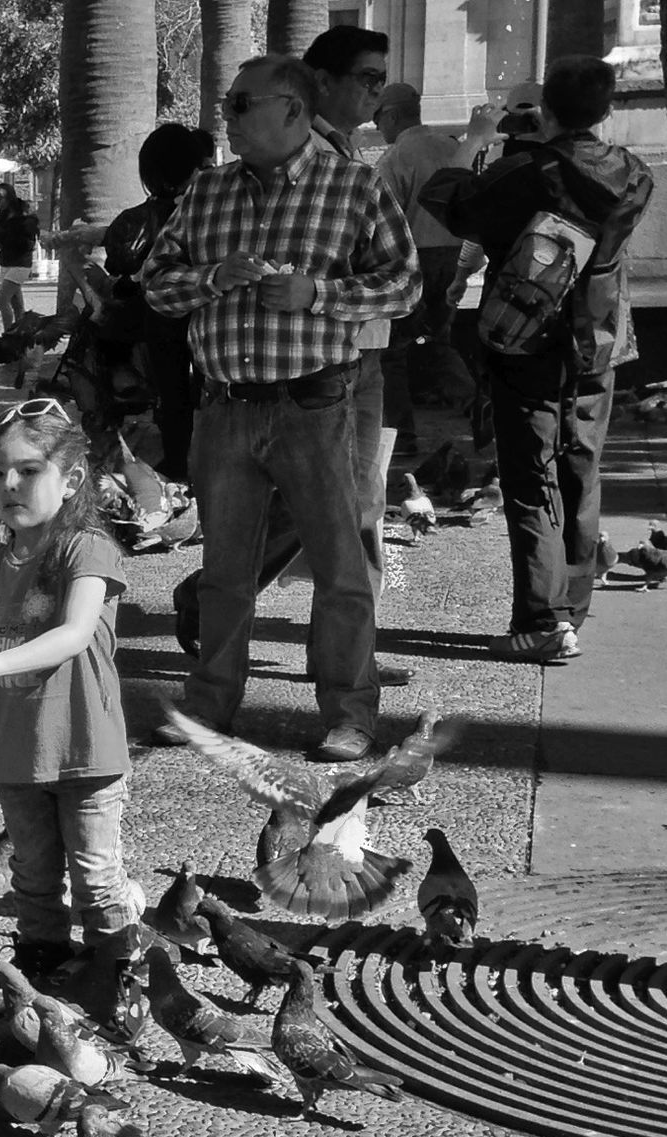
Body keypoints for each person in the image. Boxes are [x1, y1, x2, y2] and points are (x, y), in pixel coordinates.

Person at [142, 54, 420, 762]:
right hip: (224, 408)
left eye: (241, 105)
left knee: (339, 570)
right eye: (229, 105)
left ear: (291, 110)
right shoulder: (205, 193)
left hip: (314, 405)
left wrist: (318, 295)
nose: (226, 119)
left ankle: (349, 715)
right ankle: (210, 707)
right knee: (225, 573)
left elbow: (404, 287)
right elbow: (153, 286)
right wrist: (209, 279)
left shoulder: (353, 188)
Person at [420, 55, 653, 661]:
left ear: (545, 109)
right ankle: (572, 607)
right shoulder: (634, 173)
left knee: (530, 477)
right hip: (598, 338)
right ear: (606, 112)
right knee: (581, 465)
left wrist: (476, 139)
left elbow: (445, 198)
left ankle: (542, 620)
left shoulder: (524, 171)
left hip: (525, 336)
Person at [0, 399, 137, 979]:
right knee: (32, 875)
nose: (9, 484)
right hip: (19, 752)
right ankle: (40, 964)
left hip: (86, 747)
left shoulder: (87, 548)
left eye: (28, 470)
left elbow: (74, 634)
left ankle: (115, 973)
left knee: (97, 877)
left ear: (71, 480)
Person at [256, 25, 415, 692]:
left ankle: (344, 658)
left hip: (364, 352)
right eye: (367, 79)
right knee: (338, 514)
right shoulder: (297, 155)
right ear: (321, 80)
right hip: (321, 363)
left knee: (356, 510)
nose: (377, 93)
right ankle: (342, 667)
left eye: (382, 81)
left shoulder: (349, 150)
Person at [103, 123, 210, 480]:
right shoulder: (213, 211)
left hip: (157, 324)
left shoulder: (133, 220)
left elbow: (118, 271)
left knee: (172, 397)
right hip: (209, 320)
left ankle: (179, 469)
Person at [373, 82, 472, 453]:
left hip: (415, 259)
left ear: (393, 115)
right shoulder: (452, 147)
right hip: (455, 255)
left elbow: (383, 220)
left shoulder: (396, 158)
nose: (378, 127)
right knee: (437, 341)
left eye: (379, 118)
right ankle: (479, 406)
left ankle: (399, 435)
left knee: (393, 350)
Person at [0, 183, 39, 331]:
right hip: (6, 261)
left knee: (2, 299)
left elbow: (26, 241)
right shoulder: (2, 215)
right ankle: (21, 333)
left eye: (0, 198)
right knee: (16, 304)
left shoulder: (24, 214)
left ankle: (9, 334)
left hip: (21, 263)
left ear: (9, 197)